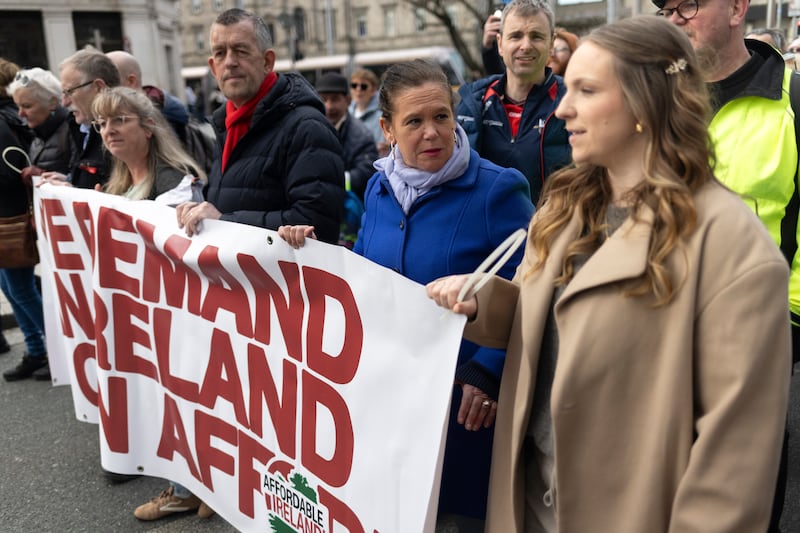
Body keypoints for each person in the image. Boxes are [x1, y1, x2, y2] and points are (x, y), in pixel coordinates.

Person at [426, 16, 791, 533]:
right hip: (530, 504)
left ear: (646, 102)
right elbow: (552, 322)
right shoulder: (565, 209)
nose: (563, 107)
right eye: (567, 86)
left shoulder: (734, 250)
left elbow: (735, 464)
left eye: (586, 90)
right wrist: (483, 301)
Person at [279, 59, 535, 532]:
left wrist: (489, 372)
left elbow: (534, 288)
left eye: (441, 116)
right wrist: (319, 255)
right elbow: (369, 268)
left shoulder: (498, 189)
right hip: (391, 402)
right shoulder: (379, 186)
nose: (432, 132)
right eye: (414, 121)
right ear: (387, 128)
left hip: (464, 409)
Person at [655, 1, 798, 530]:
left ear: (737, 8)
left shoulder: (793, 101)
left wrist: (788, 325)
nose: (674, 16)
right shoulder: (655, 103)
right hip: (659, 333)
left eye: (687, 4)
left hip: (755, 338)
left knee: (743, 502)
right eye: (665, 8)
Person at [86, 85, 212, 520]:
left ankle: (188, 488)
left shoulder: (175, 180)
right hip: (143, 313)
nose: (108, 131)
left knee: (180, 394)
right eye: (102, 123)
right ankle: (197, 488)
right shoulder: (124, 181)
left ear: (149, 126)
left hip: (175, 313)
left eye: (119, 120)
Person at [175, 8, 344, 244]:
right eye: (221, 53)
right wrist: (199, 212)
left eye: (241, 51)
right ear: (213, 68)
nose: (230, 62)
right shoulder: (225, 125)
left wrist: (224, 220)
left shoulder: (307, 127)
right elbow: (231, 201)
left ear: (267, 61)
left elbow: (318, 226)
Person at [457, 0, 571, 204]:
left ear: (551, 44)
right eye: (516, 36)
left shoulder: (572, 102)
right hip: (488, 234)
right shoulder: (473, 103)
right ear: (500, 44)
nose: (525, 46)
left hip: (554, 231)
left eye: (536, 36)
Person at [0, 58, 48, 382]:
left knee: (19, 287)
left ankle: (58, 347)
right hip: (14, 212)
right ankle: (36, 349)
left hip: (9, 215)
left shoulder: (2, 119)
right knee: (13, 285)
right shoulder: (10, 115)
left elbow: (7, 172)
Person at [39, 48, 119, 189]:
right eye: (63, 94)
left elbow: (128, 195)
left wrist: (75, 191)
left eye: (69, 92)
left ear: (99, 87)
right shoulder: (81, 128)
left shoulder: (124, 133)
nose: (64, 103)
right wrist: (71, 180)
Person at [7, 67, 77, 182]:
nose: (20, 114)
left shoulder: (73, 129)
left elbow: (84, 179)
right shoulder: (38, 131)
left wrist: (44, 175)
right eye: (18, 106)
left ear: (52, 103)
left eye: (27, 106)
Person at [348, 68, 388, 156]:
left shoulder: (382, 116)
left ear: (373, 90)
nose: (358, 90)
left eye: (363, 86)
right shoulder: (346, 114)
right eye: (354, 85)